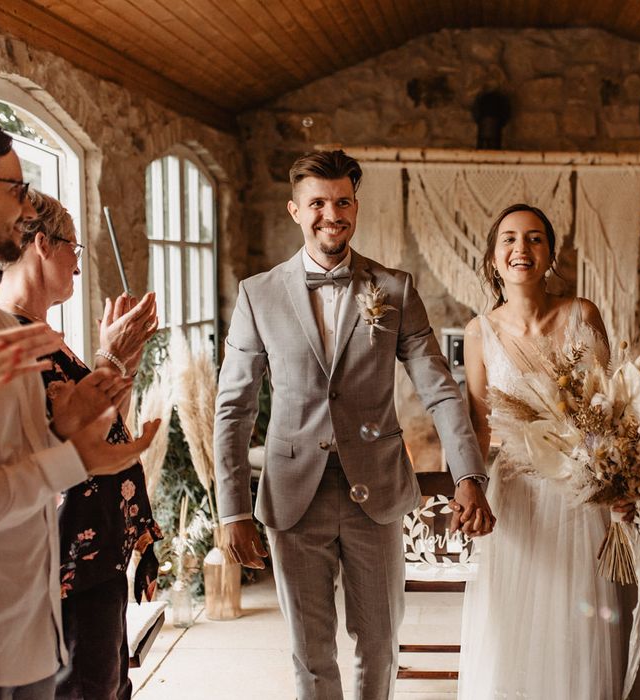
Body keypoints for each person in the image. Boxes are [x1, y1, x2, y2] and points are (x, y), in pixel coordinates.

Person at [214, 149, 493, 700]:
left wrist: (468, 475)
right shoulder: (258, 294)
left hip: (379, 491)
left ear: (356, 207)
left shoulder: (394, 289)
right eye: (317, 203)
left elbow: (439, 387)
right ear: (295, 210)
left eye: (342, 201)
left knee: (380, 641)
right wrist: (232, 510)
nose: (330, 214)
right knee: (310, 650)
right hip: (294, 496)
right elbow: (234, 407)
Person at [0, 116, 160, 700]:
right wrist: (107, 366)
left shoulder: (10, 331)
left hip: (43, 590)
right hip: (39, 578)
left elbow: (58, 433)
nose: (23, 204)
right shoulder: (4, 336)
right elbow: (40, 461)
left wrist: (106, 375)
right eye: (13, 189)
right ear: (42, 245)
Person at [458, 203, 640, 699]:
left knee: (579, 614)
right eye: (509, 239)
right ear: (493, 257)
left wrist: (618, 483)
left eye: (534, 238)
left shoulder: (581, 314)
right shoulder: (479, 332)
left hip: (580, 496)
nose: (521, 248)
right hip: (516, 495)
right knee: (517, 618)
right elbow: (478, 426)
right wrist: (469, 489)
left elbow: (613, 410)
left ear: (550, 254)